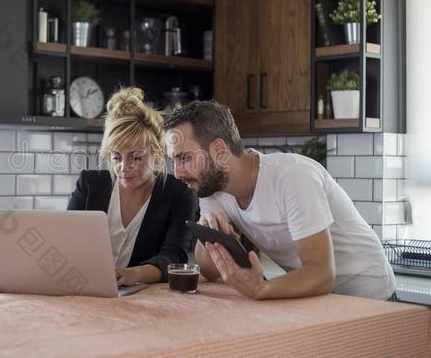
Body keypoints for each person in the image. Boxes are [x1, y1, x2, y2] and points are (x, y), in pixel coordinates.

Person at [163, 100, 396, 300]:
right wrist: (209, 234)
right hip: (319, 299)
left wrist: (261, 288)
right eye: (174, 160)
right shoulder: (214, 190)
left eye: (184, 158)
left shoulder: (292, 177)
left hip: (370, 295)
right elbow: (209, 270)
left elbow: (322, 273)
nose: (177, 173)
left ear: (219, 150)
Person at [68, 87, 196, 286]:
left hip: (142, 299)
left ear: (158, 152)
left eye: (136, 157)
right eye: (116, 157)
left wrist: (133, 275)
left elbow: (174, 256)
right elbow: (66, 242)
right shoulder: (88, 185)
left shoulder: (179, 193)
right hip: (84, 289)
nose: (124, 167)